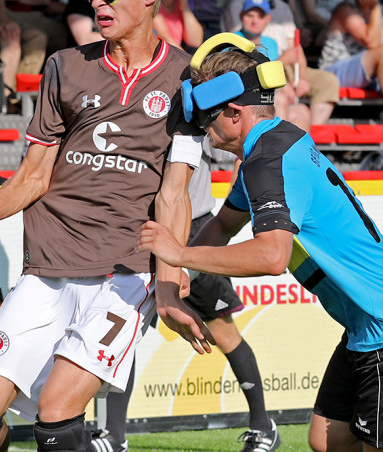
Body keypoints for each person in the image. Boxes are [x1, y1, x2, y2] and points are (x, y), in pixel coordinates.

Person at [0, 0, 211, 450]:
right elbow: (35, 174)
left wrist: (169, 287)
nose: (99, 2)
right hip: (48, 267)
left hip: (124, 275)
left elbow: (174, 195)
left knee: (57, 420)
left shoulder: (186, 78)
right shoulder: (64, 66)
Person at [141, 34, 383, 452]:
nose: (203, 132)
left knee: (379, 444)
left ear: (234, 112)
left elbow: (271, 255)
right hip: (373, 323)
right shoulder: (271, 145)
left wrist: (179, 254)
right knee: (327, 439)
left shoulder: (267, 161)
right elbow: (224, 226)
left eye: (206, 119)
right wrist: (175, 275)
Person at [92, 136, 279, 452]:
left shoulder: (190, 118)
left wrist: (237, 200)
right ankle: (115, 436)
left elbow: (241, 151)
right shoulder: (140, 117)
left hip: (193, 233)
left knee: (222, 333)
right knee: (125, 334)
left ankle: (263, 427)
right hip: (142, 234)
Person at [226, 0, 342, 126]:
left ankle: (311, 141)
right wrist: (280, 75)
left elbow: (295, 47)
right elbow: (241, 55)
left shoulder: (282, 5)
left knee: (329, 82)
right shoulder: (237, 5)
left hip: (286, 65)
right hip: (260, 70)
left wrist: (301, 76)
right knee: (281, 98)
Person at [235, 0, 314, 128]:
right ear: (241, 15)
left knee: (301, 111)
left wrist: (285, 85)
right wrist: (282, 61)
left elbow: (274, 77)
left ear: (268, 19)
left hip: (268, 101)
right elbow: (245, 78)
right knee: (279, 99)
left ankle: (296, 148)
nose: (255, 21)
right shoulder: (231, 41)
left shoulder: (271, 43)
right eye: (250, 15)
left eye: (260, 17)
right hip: (244, 102)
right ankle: (276, 146)